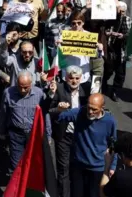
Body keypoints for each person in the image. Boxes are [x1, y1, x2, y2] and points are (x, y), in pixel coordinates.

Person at [57, 93, 117, 197]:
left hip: (97, 168)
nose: (90, 112)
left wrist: (112, 166)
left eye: (94, 109)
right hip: (78, 166)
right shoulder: (80, 113)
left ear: (102, 108)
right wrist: (59, 109)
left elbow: (113, 145)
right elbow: (60, 117)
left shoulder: (110, 121)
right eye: (89, 108)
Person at [48, 66, 90, 197]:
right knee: (63, 169)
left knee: (77, 167)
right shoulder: (59, 89)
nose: (74, 81)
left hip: (80, 136)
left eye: (77, 78)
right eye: (71, 78)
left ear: (81, 79)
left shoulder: (86, 90)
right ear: (66, 78)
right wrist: (59, 110)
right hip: (63, 135)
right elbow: (49, 111)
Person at [0, 71, 45, 172]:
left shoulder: (39, 94)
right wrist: (1, 131)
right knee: (16, 165)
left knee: (33, 164)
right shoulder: (8, 93)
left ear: (31, 84)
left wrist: (47, 135)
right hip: (15, 134)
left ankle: (29, 187)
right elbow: (3, 113)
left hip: (33, 134)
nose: (22, 90)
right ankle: (17, 187)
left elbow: (45, 116)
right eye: (20, 86)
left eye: (26, 87)